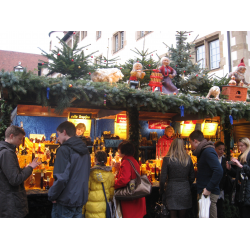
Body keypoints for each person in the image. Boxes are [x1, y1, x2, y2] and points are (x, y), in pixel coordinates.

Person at [48, 121, 91, 218]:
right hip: (80, 199)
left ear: (64, 132)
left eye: (58, 135)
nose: (58, 138)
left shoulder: (63, 149)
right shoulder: (85, 150)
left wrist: (53, 195)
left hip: (65, 200)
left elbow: (61, 178)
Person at [0, 125, 40, 218]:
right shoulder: (7, 153)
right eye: (19, 139)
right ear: (11, 136)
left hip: (8, 202)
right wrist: (30, 168)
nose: (21, 142)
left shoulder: (5, 151)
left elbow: (10, 174)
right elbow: (15, 179)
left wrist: (26, 168)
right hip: (11, 205)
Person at [189, 130, 223, 218]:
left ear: (195, 140)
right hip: (205, 191)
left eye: (190, 142)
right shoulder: (204, 151)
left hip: (209, 192)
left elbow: (218, 170)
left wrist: (208, 188)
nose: (190, 145)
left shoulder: (207, 151)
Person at [160, 138, 195, 218]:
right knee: (183, 215)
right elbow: (192, 176)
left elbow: (162, 179)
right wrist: (187, 184)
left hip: (171, 189)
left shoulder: (167, 159)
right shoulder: (188, 158)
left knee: (173, 214)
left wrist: (161, 190)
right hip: (185, 189)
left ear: (172, 146)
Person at [114, 140, 147, 218]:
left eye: (119, 149)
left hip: (130, 199)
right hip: (136, 196)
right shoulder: (133, 160)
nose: (118, 151)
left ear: (124, 150)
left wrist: (113, 184)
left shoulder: (126, 162)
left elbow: (124, 180)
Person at [82, 150, 114, 218]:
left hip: (90, 209)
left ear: (95, 159)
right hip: (104, 208)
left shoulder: (89, 174)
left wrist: (82, 210)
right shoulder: (110, 175)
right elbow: (111, 195)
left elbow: (85, 193)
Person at [226, 137, 250, 218]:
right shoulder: (241, 156)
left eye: (241, 146)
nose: (239, 148)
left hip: (247, 191)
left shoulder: (248, 156)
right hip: (242, 191)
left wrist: (240, 166)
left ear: (247, 145)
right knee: (242, 213)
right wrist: (230, 169)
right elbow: (238, 174)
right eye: (238, 146)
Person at [214, 141, 230, 218]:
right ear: (215, 149)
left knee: (219, 208)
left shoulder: (225, 160)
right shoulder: (212, 159)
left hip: (221, 188)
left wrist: (229, 169)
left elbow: (227, 173)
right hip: (212, 188)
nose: (222, 151)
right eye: (220, 149)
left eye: (223, 150)